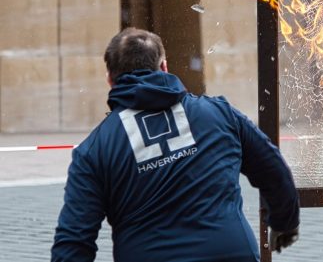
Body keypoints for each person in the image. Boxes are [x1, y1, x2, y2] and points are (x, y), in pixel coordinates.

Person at [51, 28, 299, 262]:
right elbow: (272, 168)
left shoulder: (95, 150)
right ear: (164, 67)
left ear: (110, 80)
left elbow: (74, 240)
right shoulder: (219, 113)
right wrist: (285, 222)